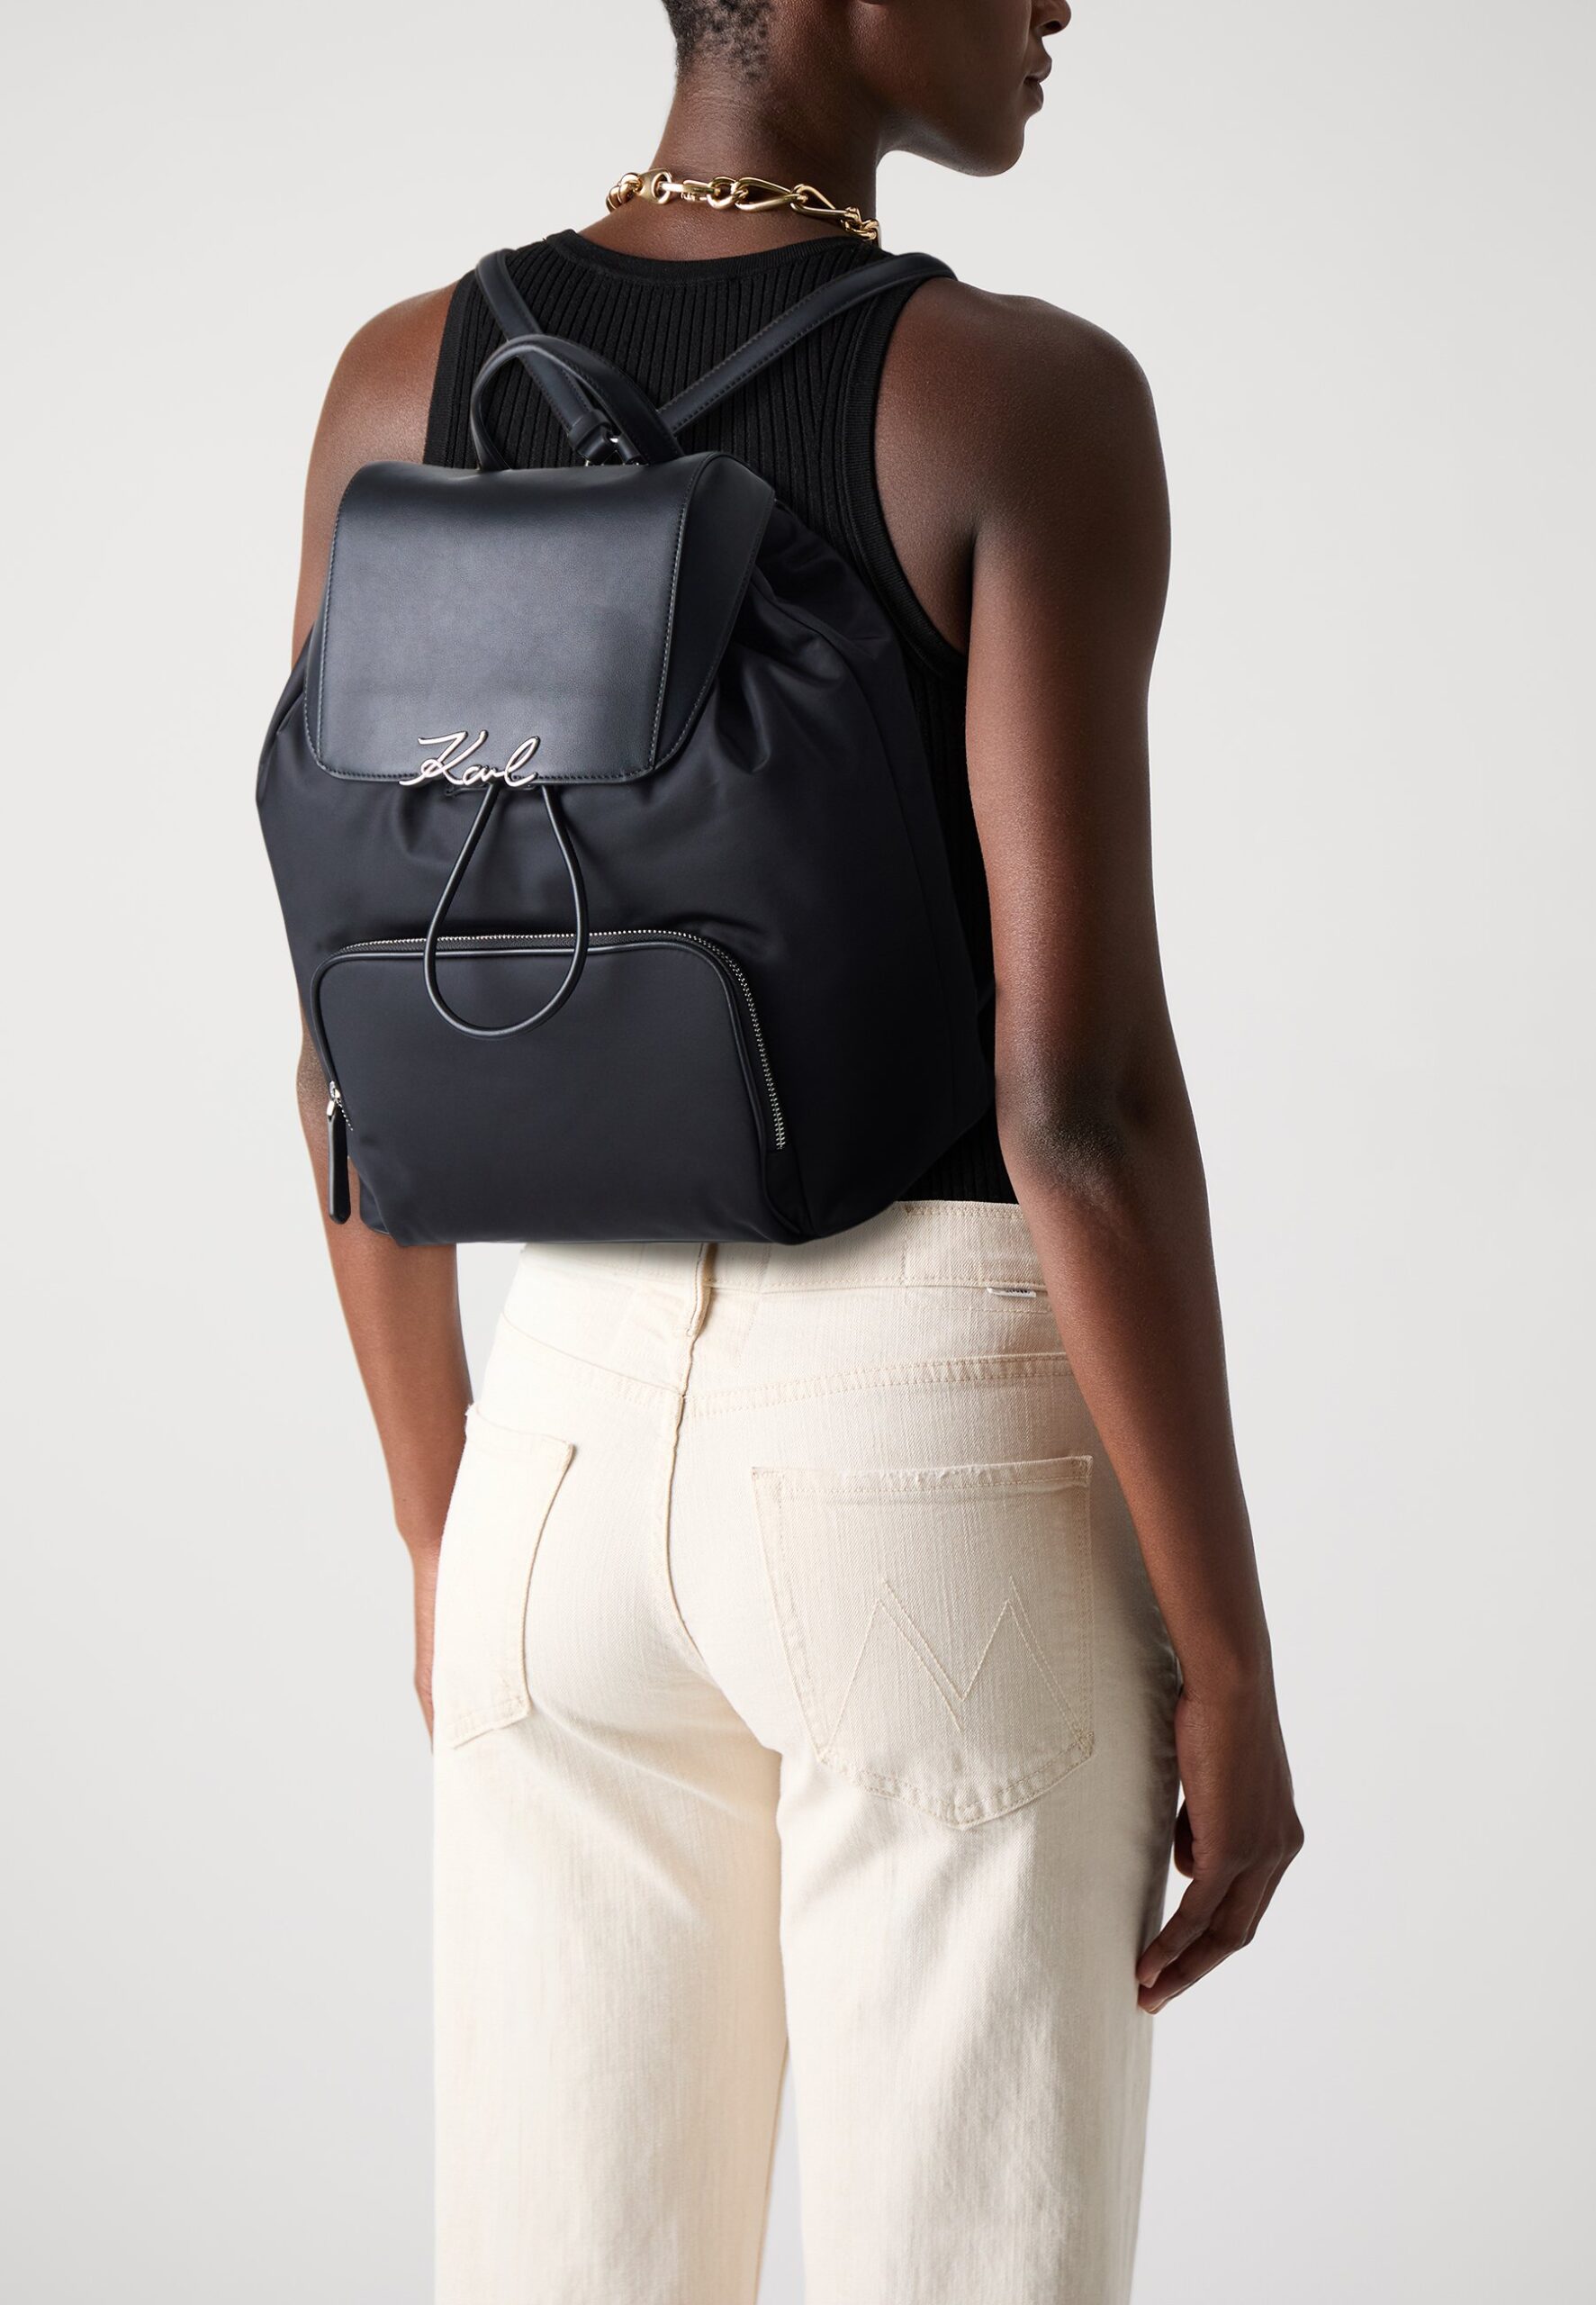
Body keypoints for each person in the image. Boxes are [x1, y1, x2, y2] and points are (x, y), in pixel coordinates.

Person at [287, 3, 1303, 2297]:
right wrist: (1226, 1656)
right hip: (924, 1453)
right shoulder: (1018, 402)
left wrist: (442, 1523)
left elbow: (343, 1045)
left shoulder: (394, 383)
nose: (1058, 6)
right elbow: (1076, 1101)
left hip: (548, 1445)